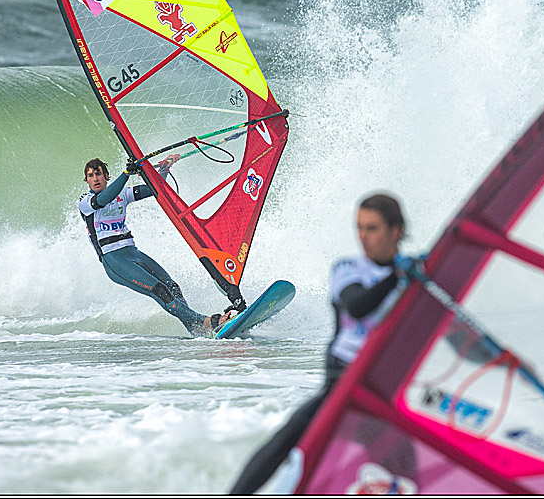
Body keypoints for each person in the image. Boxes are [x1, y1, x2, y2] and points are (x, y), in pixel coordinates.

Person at [228, 192, 411, 494]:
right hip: (345, 379)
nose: (363, 237)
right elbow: (357, 305)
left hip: (388, 384)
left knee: (400, 464)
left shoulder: (414, 278)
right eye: (359, 227)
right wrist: (399, 277)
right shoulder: (348, 269)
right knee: (289, 440)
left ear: (396, 231)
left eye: (372, 228)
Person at [78, 157, 236, 336]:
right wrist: (126, 174)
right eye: (90, 176)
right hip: (114, 261)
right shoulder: (85, 201)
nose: (95, 179)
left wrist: (163, 170)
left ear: (106, 176)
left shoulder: (123, 194)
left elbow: (154, 189)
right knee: (160, 291)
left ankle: (196, 329)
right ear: (87, 181)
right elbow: (103, 200)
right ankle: (205, 322)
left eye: (98, 173)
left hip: (132, 253)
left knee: (172, 287)